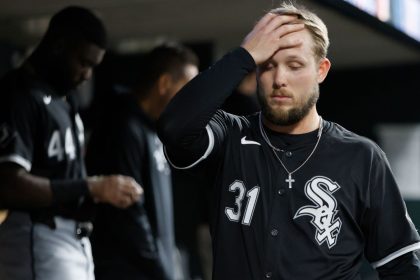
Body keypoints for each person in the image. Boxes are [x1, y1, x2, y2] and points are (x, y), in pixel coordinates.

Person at [157, 2, 420, 279]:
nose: (279, 79)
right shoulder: (230, 135)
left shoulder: (362, 156)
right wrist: (243, 55)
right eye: (267, 66)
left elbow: (402, 264)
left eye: (294, 65)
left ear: (321, 70)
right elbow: (174, 128)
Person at [0, 6, 142, 280]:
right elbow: (8, 184)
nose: (87, 75)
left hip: (73, 240)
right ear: (58, 46)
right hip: (38, 235)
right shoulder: (18, 95)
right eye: (83, 63)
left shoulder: (65, 99)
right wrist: (91, 186)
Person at [86, 43, 199, 280]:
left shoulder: (154, 129)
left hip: (152, 268)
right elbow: (128, 217)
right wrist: (161, 271)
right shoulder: (123, 126)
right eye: (188, 89)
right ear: (164, 83)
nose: (192, 101)